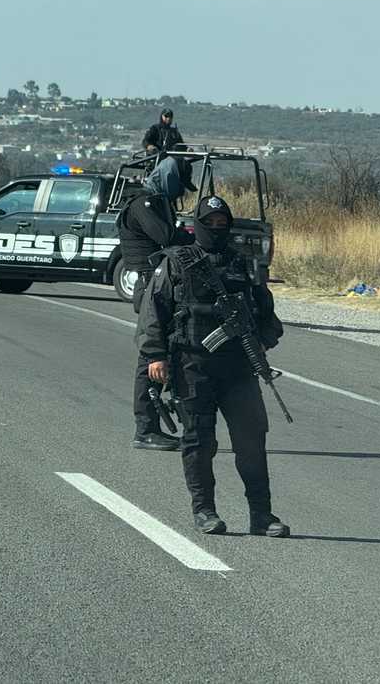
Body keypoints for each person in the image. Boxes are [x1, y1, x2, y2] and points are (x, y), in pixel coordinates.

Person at [137, 194, 288, 537]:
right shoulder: (176, 262)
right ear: (197, 226)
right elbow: (153, 312)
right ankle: (205, 511)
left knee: (251, 441)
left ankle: (261, 515)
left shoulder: (243, 265)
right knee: (199, 441)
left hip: (239, 369)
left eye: (223, 224)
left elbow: (269, 318)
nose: (217, 229)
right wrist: (155, 356)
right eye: (211, 224)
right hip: (192, 365)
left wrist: (260, 342)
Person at [118, 156, 197, 450]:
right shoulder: (144, 203)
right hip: (149, 283)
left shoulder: (156, 202)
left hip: (160, 282)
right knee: (151, 355)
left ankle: (158, 421)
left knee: (169, 349)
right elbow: (165, 236)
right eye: (178, 185)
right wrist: (194, 238)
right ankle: (146, 428)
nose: (180, 192)